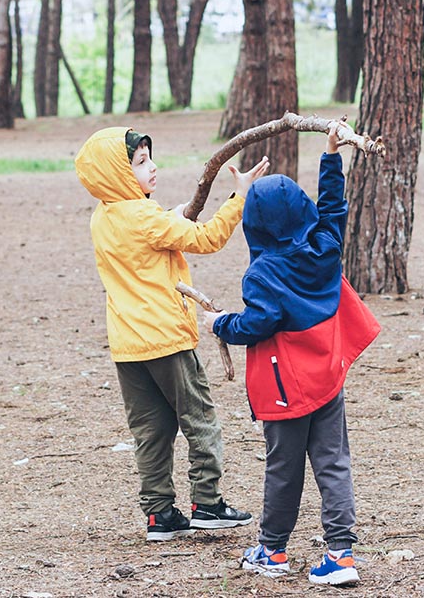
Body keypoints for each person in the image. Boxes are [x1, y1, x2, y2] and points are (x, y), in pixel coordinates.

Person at [203, 124, 381, 585]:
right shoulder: (325, 248)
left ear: (255, 226)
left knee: (283, 469)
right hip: (328, 376)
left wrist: (219, 322)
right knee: (333, 462)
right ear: (303, 210)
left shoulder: (262, 275)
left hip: (288, 390)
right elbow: (333, 211)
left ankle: (272, 551)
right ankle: (341, 555)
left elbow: (256, 325)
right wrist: (330, 157)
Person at [74, 126, 268, 542]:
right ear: (116, 174)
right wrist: (239, 198)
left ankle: (159, 514)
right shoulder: (144, 217)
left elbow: (151, 236)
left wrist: (170, 217)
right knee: (200, 420)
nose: (152, 167)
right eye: (140, 164)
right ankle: (208, 503)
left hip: (128, 346)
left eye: (150, 159)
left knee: (151, 430)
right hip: (165, 339)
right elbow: (209, 238)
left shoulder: (104, 217)